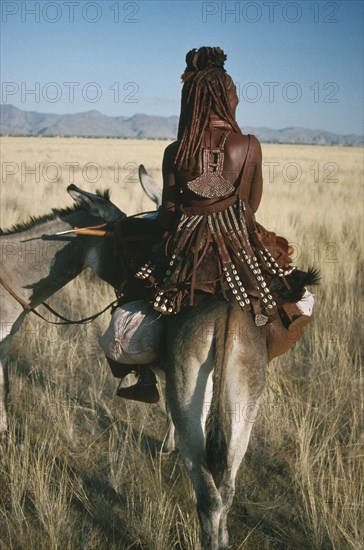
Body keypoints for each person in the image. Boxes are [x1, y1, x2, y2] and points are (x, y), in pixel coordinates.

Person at [114, 46, 315, 402]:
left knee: (139, 290)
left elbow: (169, 212)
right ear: (223, 97)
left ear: (192, 99)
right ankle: (260, 352)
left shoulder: (175, 150)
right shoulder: (250, 145)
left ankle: (145, 375)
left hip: (186, 245)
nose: (236, 97)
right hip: (239, 239)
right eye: (233, 92)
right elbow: (250, 206)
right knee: (292, 296)